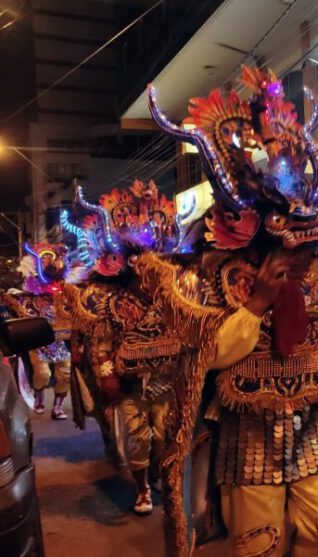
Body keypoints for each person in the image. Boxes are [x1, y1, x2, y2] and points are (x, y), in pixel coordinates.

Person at [143, 66, 318, 556]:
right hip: (246, 439)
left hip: (317, 428)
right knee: (259, 546)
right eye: (292, 243)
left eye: (310, 241)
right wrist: (257, 304)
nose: (304, 254)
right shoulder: (214, 279)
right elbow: (210, 358)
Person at [61, 181, 182, 516]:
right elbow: (101, 343)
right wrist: (107, 376)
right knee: (139, 439)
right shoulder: (110, 299)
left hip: (167, 381)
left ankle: (164, 481)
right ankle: (142, 488)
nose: (145, 270)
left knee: (165, 437)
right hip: (130, 383)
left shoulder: (171, 298)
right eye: (138, 263)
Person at [2, 242, 75, 419]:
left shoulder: (66, 294)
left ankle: (57, 407)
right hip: (39, 342)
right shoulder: (28, 297)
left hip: (59, 341)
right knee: (42, 373)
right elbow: (15, 305)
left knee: (65, 373)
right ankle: (39, 395)